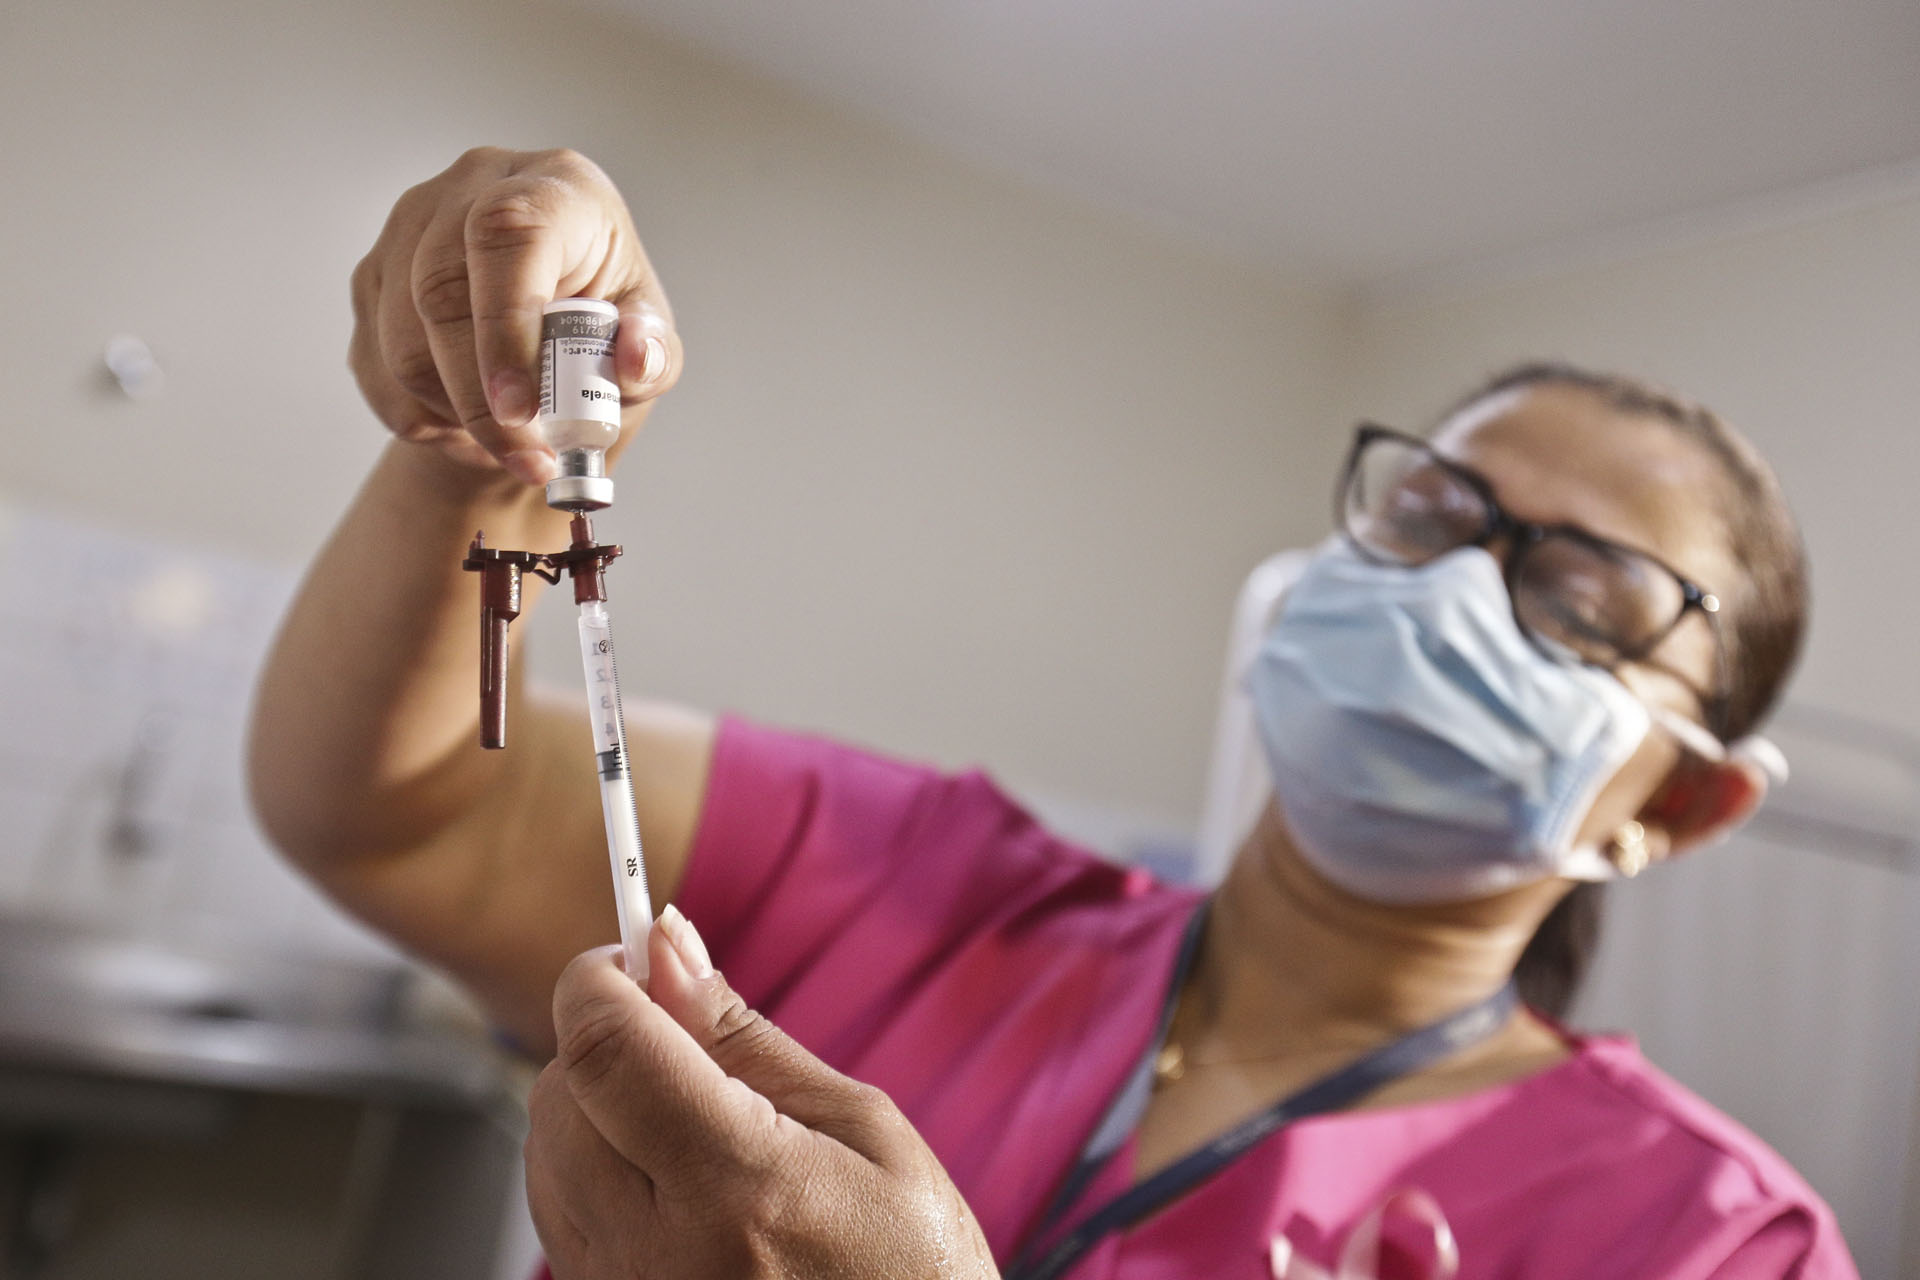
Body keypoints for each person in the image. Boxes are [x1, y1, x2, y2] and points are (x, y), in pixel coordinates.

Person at [249, 146, 1859, 1278]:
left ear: (1680, 805)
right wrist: (490, 430)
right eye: (1431, 514)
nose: (1456, 595)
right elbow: (392, 808)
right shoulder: (938, 888)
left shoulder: (1715, 1243)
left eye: (1579, 598)